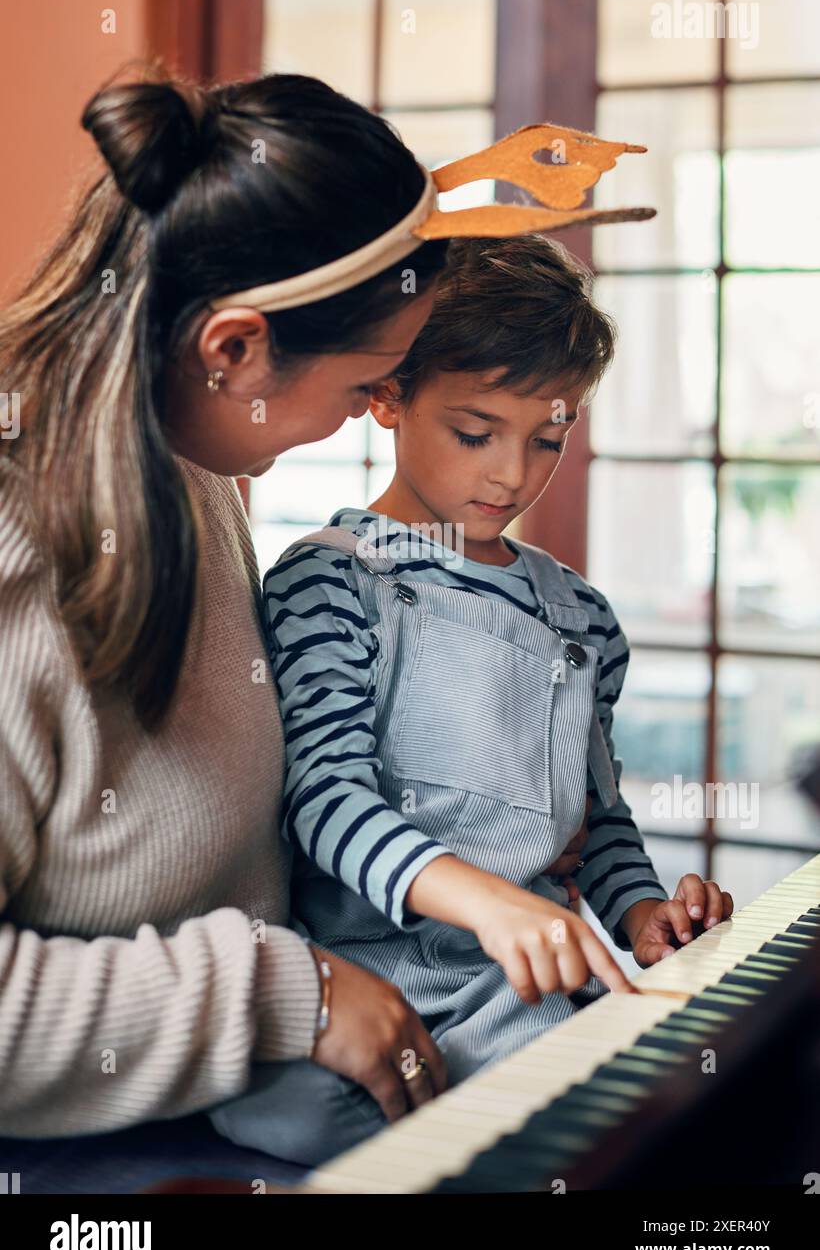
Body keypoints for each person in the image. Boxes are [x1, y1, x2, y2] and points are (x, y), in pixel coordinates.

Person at [0, 64, 462, 1169]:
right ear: (234, 349)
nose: (371, 415)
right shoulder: (20, 562)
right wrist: (279, 991)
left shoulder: (184, 456)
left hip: (217, 1110)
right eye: (364, 387)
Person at [210, 234, 733, 1166]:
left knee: (695, 1086)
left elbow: (600, 824)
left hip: (535, 971)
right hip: (375, 972)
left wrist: (646, 915)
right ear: (387, 397)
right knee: (292, 1103)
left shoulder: (584, 617)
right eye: (475, 432)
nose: (512, 476)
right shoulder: (331, 579)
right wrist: (488, 903)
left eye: (548, 440)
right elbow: (325, 802)